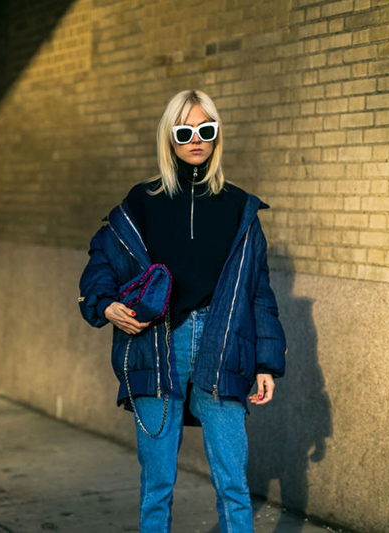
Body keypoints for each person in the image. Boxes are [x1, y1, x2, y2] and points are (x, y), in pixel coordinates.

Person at [78, 89, 287, 533]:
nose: (196, 139)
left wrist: (267, 362)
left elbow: (259, 290)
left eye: (206, 130)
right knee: (157, 483)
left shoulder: (239, 207)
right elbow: (102, 261)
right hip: (157, 346)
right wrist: (105, 304)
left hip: (222, 345)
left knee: (232, 482)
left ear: (216, 136)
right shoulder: (143, 201)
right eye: (185, 131)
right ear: (169, 137)